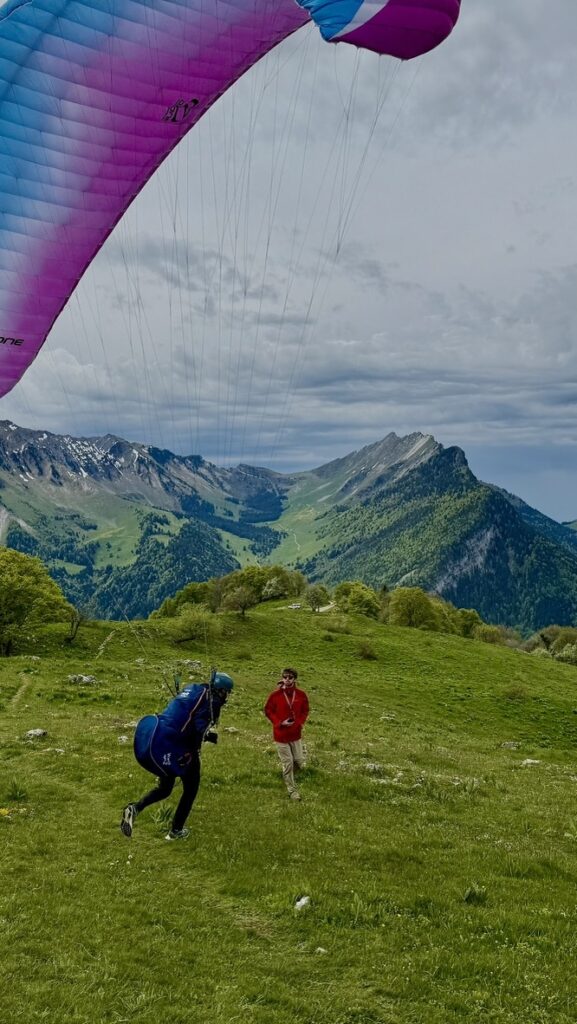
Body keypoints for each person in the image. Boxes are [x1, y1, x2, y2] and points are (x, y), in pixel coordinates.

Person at [120, 670, 233, 841]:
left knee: (165, 789)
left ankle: (135, 808)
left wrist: (207, 736)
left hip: (162, 741)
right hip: (179, 747)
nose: (227, 697)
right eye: (227, 692)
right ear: (222, 690)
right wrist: (193, 752)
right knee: (191, 788)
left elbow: (186, 718)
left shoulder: (194, 689)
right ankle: (176, 831)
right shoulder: (213, 702)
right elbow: (196, 728)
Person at [264, 667, 309, 801]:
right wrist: (279, 723)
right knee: (288, 762)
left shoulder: (301, 695)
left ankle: (288, 775)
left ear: (295, 679)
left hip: (295, 734)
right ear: (282, 678)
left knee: (299, 761)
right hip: (281, 734)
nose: (287, 680)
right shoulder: (275, 695)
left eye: (290, 677)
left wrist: (299, 723)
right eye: (285, 677)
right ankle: (292, 790)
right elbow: (268, 711)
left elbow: (305, 710)